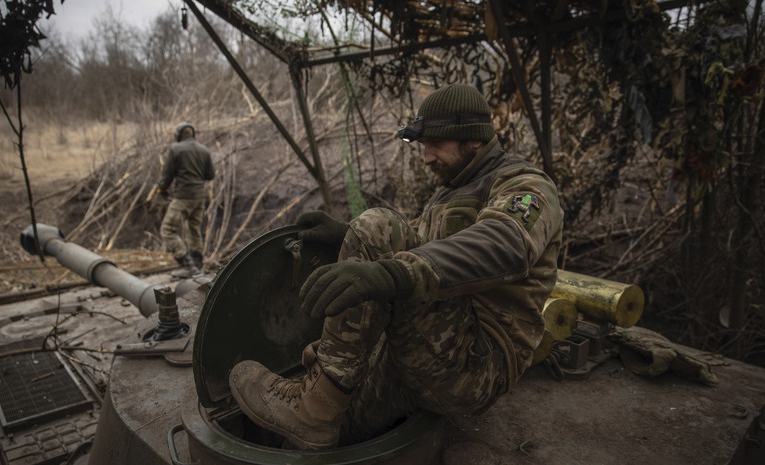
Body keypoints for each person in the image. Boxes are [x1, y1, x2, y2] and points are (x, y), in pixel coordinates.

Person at [229, 84, 563, 449]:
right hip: (434, 346)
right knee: (329, 433)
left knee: (378, 224)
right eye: (422, 146)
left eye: (435, 144)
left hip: (478, 364)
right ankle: (319, 406)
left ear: (472, 139)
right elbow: (420, 242)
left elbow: (505, 243)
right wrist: (345, 236)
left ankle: (314, 407)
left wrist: (389, 269)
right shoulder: (450, 191)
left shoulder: (524, 185)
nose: (427, 158)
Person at [157, 123, 215, 278]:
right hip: (200, 197)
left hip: (184, 196)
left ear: (178, 135)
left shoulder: (175, 149)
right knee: (194, 230)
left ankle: (186, 264)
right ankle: (197, 267)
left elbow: (167, 175)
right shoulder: (205, 150)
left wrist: (161, 189)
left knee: (167, 229)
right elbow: (210, 175)